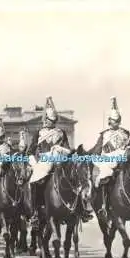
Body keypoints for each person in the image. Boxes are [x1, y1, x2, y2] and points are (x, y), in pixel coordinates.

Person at [27, 96, 91, 226]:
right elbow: (30, 152)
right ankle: (35, 212)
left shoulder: (61, 132)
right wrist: (34, 164)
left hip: (60, 160)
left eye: (52, 120)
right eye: (49, 120)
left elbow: (68, 148)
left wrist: (60, 149)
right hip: (44, 162)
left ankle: (81, 209)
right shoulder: (38, 133)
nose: (51, 122)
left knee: (75, 178)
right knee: (34, 182)